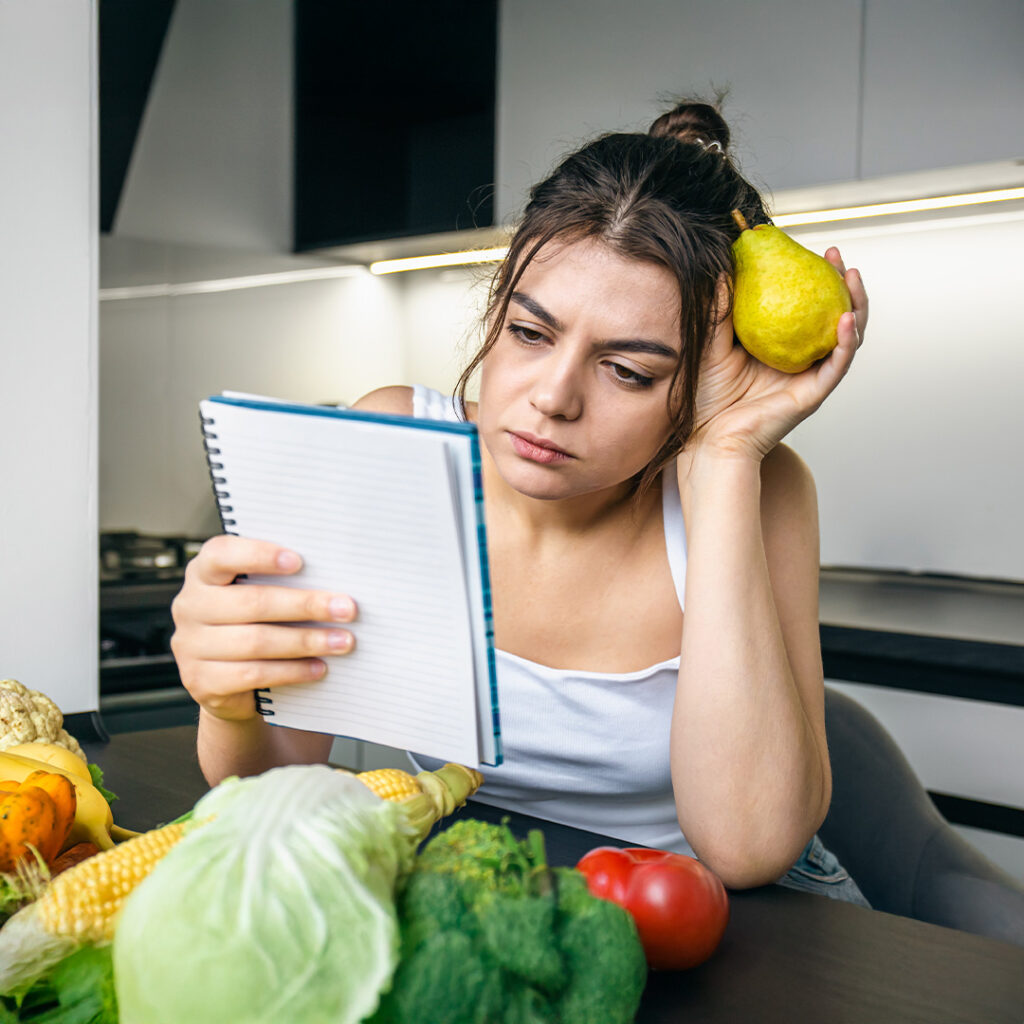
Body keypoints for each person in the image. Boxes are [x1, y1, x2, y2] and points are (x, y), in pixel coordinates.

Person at [170, 100, 869, 899]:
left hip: (728, 923)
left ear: (703, 379)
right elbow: (275, 786)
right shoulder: (395, 443)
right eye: (531, 334)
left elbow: (748, 849)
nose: (554, 398)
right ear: (496, 306)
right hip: (489, 896)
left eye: (629, 371)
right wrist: (228, 702)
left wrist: (723, 458)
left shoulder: (757, 486)